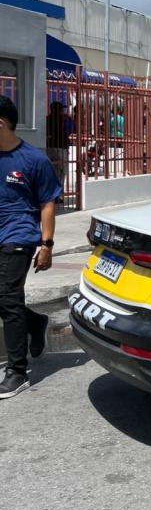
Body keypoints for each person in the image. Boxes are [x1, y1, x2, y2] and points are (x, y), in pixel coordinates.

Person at [0, 96, 62, 399]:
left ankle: (17, 371)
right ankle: (36, 322)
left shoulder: (33, 159)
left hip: (19, 233)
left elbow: (47, 202)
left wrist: (46, 244)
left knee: (8, 298)